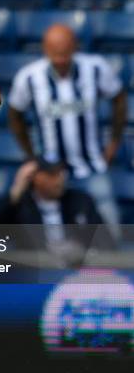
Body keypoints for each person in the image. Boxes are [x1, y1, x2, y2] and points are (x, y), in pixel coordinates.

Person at [8, 24, 126, 235]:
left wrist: (114, 143)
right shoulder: (29, 77)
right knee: (55, 236)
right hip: (50, 173)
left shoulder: (96, 68)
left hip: (91, 167)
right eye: (55, 55)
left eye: (65, 54)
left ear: (75, 47)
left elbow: (119, 98)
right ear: (45, 50)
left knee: (110, 232)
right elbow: (15, 114)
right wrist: (31, 155)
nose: (61, 60)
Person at [0, 158, 114, 256]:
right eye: (52, 174)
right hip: (35, 273)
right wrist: (16, 191)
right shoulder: (20, 206)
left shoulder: (81, 201)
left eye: (61, 172)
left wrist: (85, 253)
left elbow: (106, 241)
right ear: (35, 177)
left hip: (75, 272)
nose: (59, 179)